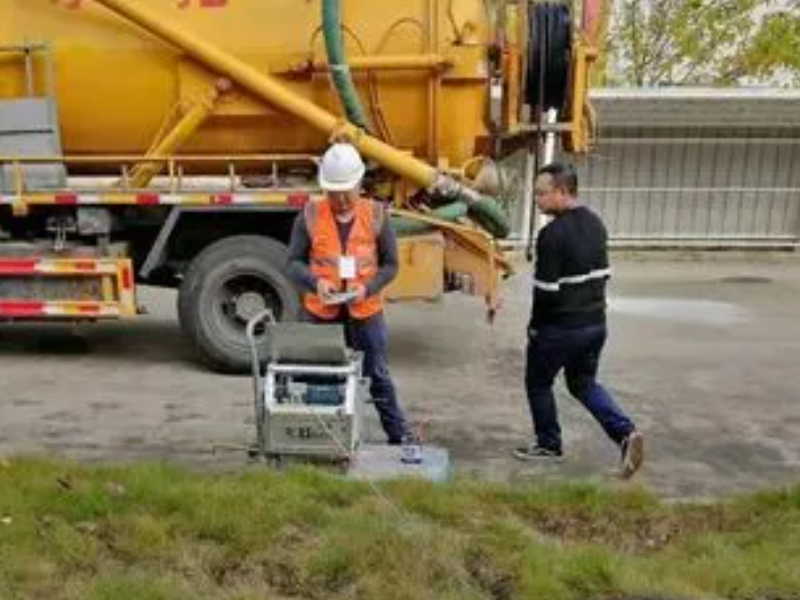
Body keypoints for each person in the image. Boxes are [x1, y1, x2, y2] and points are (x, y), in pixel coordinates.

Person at [513, 161, 644, 478]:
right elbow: (603, 275)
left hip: (560, 328)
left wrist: (534, 329)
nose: (537, 200)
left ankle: (549, 444)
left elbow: (546, 293)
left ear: (561, 191)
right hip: (595, 324)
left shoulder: (552, 235)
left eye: (542, 194)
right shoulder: (596, 224)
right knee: (583, 383)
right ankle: (625, 434)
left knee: (538, 383)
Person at [286, 142, 408, 444]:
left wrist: (367, 288)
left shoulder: (377, 215)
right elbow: (293, 262)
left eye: (346, 192)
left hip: (365, 311)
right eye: (333, 192)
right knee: (318, 375)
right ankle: (320, 437)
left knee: (377, 374)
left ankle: (399, 436)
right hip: (321, 311)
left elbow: (391, 266)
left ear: (359, 184)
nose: (340, 199)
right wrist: (317, 284)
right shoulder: (310, 215)